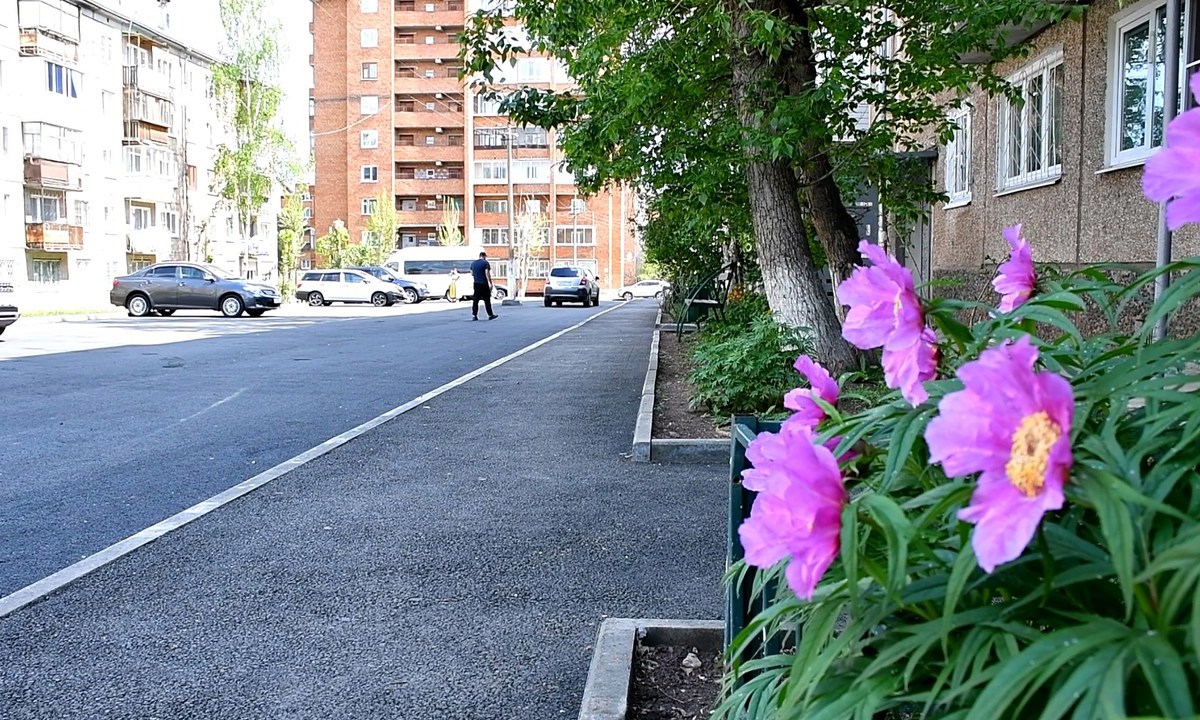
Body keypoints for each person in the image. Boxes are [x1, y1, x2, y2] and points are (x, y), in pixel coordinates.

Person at [470, 251, 498, 321]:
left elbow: (472, 273)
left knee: (475, 300)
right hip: (484, 284)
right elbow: (487, 273)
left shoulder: (473, 263)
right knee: (487, 300)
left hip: (476, 284)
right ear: (484, 256)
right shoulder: (485, 263)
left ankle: (474, 315)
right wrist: (490, 283)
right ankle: (490, 315)